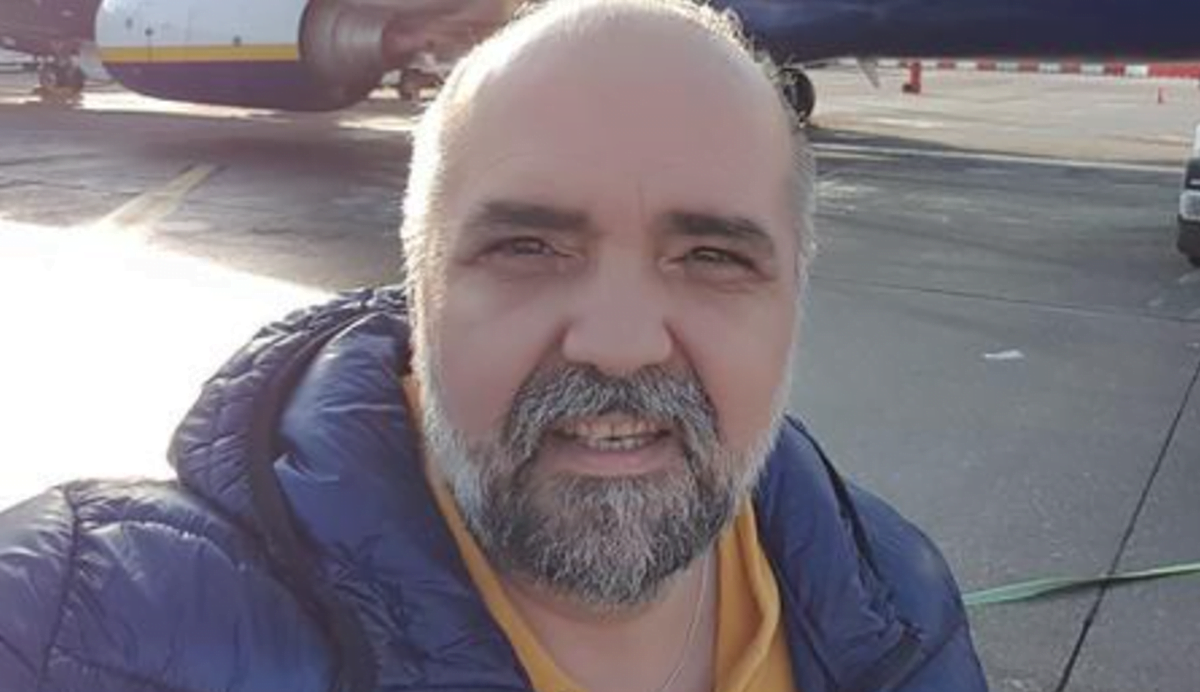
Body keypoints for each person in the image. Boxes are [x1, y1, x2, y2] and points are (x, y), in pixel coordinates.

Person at [0, 1, 987, 690]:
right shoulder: (78, 623)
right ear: (416, 289)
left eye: (713, 256)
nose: (618, 344)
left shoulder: (895, 599)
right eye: (527, 247)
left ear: (796, 298)